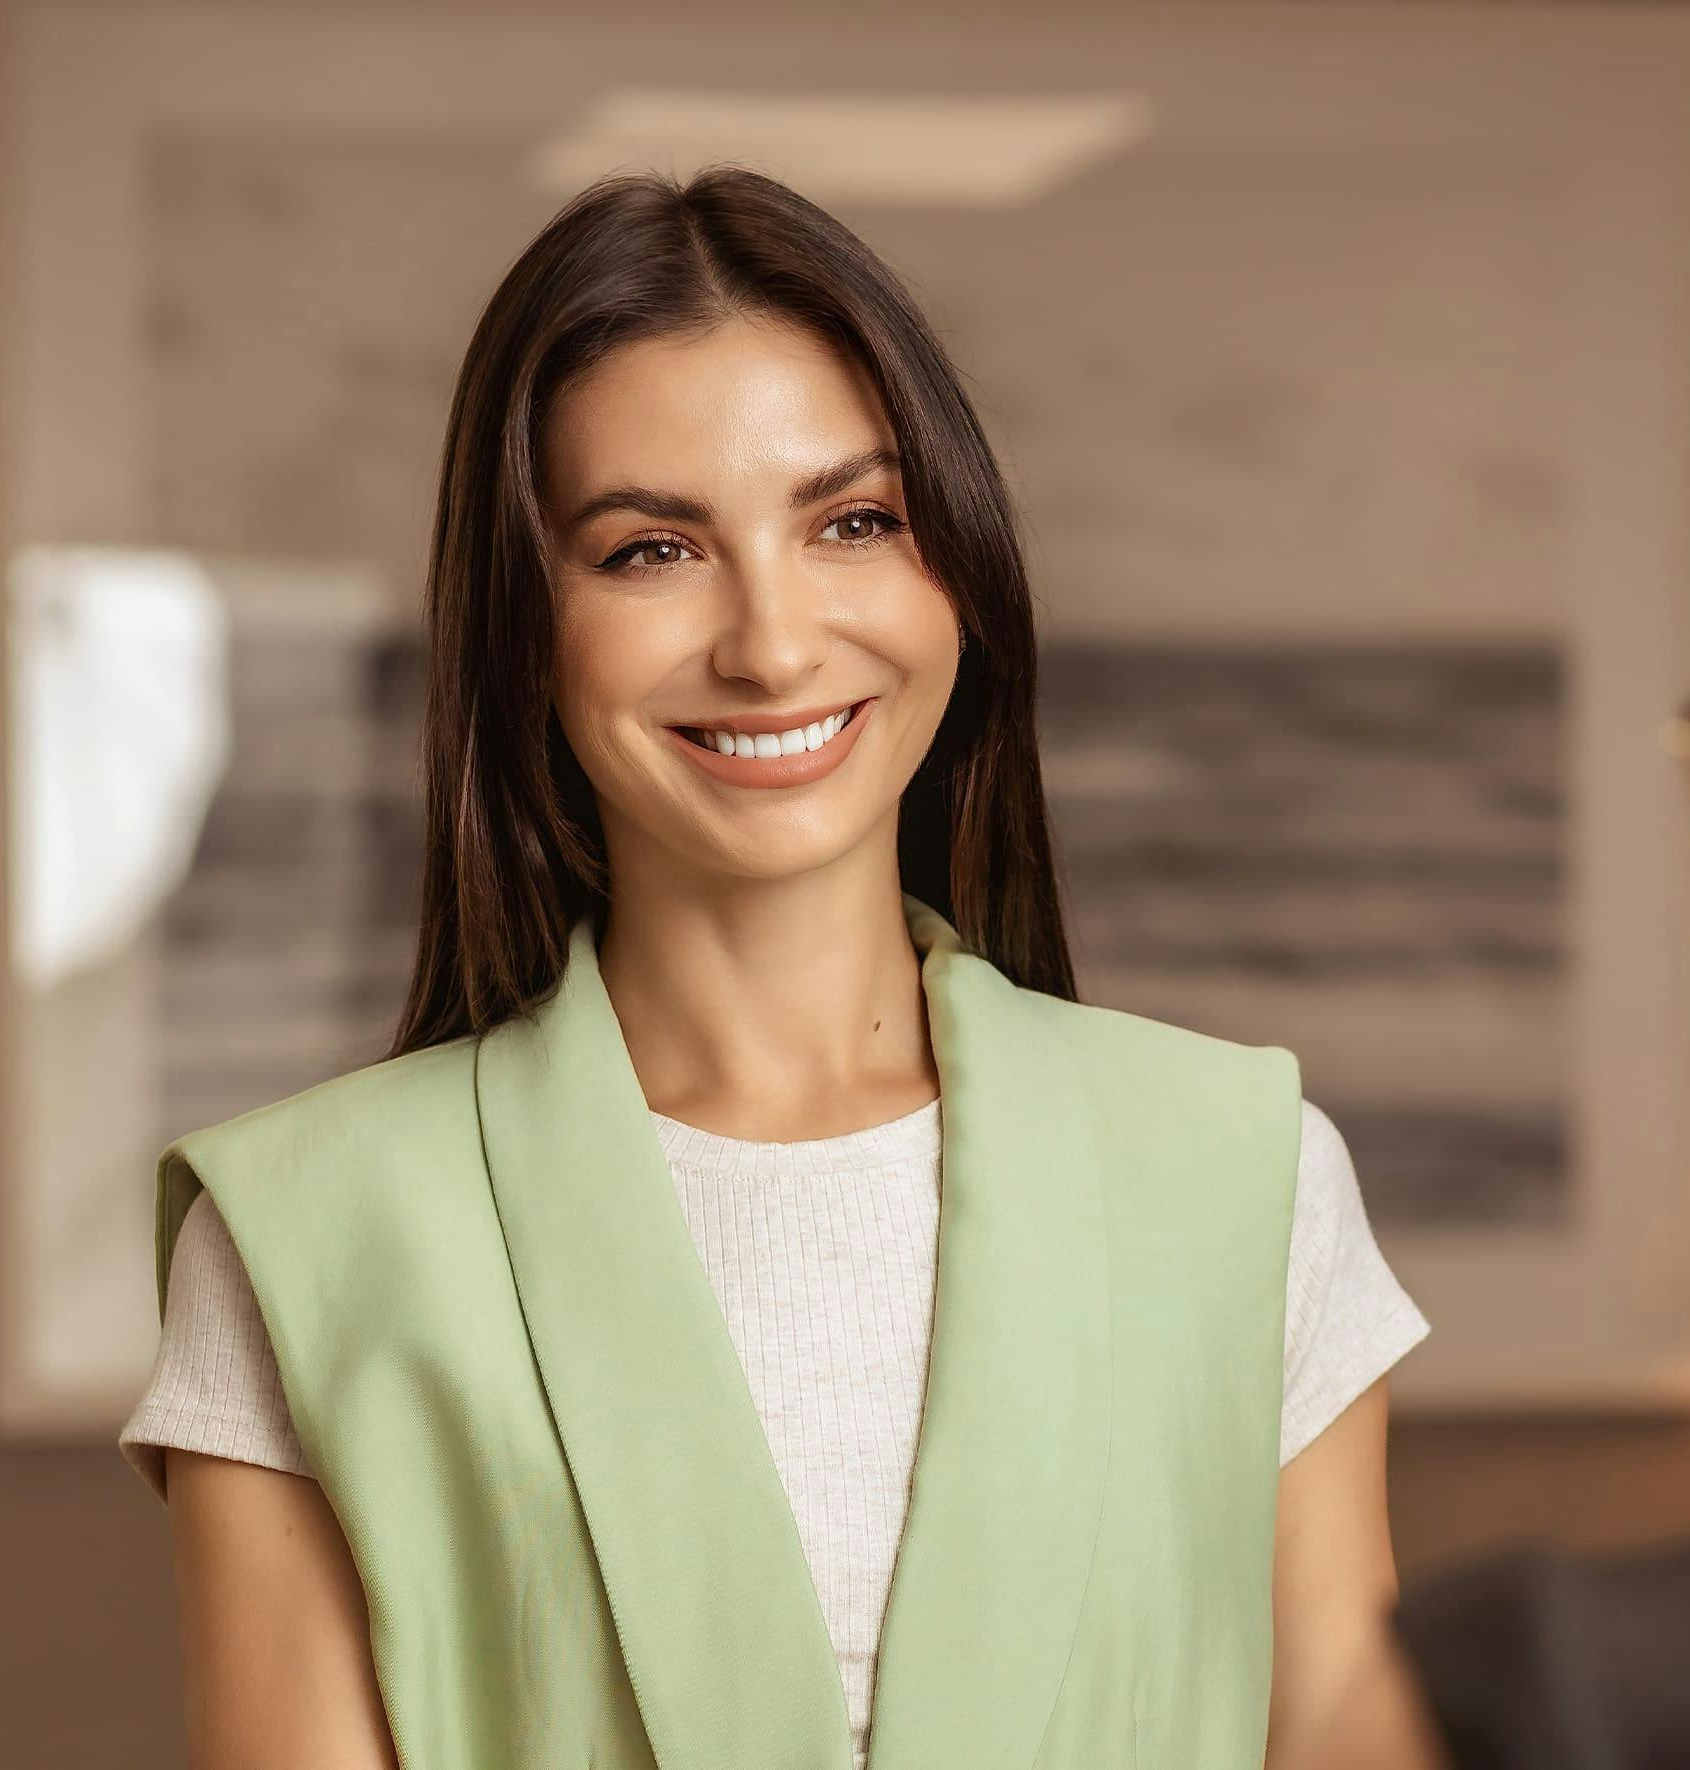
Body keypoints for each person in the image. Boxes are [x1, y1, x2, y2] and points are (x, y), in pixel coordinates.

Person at [118, 165, 1431, 1770]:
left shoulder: (1243, 1177)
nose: (773, 641)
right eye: (650, 550)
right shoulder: (307, 1237)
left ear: (958, 564)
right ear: (528, 632)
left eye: (853, 521)